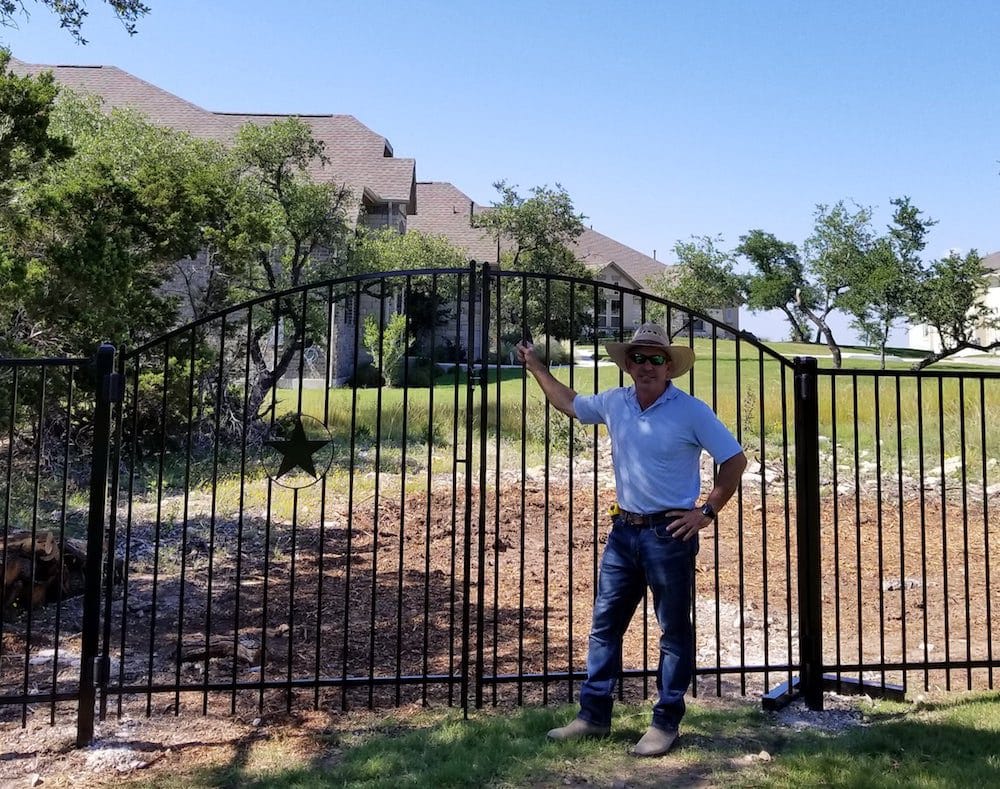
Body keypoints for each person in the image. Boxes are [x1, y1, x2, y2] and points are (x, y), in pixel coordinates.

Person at [516, 323, 747, 757]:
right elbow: (569, 403)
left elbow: (734, 459)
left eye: (656, 359)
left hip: (669, 535)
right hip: (624, 532)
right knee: (605, 627)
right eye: (638, 358)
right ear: (627, 364)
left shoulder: (691, 411)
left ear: (669, 367)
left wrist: (706, 512)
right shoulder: (615, 402)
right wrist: (536, 366)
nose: (646, 366)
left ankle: (665, 723)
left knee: (673, 632)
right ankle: (593, 717)